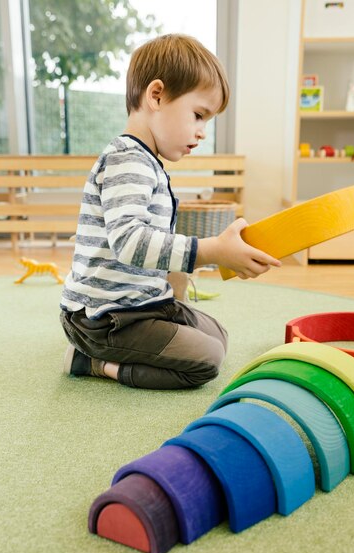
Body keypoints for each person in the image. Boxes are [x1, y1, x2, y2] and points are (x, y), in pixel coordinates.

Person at [60, 33, 281, 390]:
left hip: (141, 303)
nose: (202, 132)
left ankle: (119, 346)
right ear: (156, 95)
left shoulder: (147, 161)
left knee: (218, 339)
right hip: (106, 317)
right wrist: (209, 251)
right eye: (198, 115)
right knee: (204, 362)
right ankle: (93, 362)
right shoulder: (127, 160)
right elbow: (130, 242)